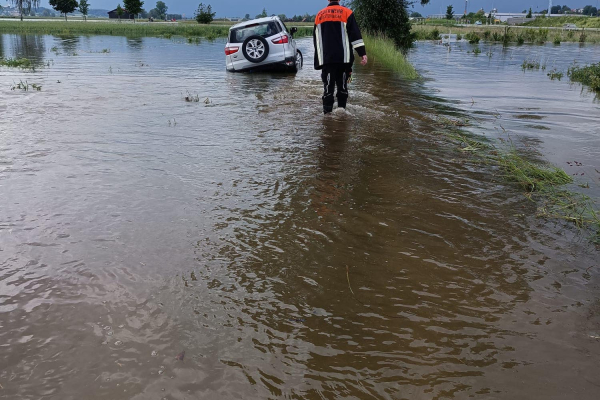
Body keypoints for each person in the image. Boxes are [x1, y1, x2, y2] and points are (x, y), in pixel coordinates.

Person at [313, 0, 368, 114]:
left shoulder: (320, 15)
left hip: (327, 59)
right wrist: (362, 53)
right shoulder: (347, 13)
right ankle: (342, 115)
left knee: (328, 89)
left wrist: (319, 60)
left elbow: (316, 39)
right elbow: (355, 35)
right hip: (344, 59)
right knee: (342, 87)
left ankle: (327, 117)